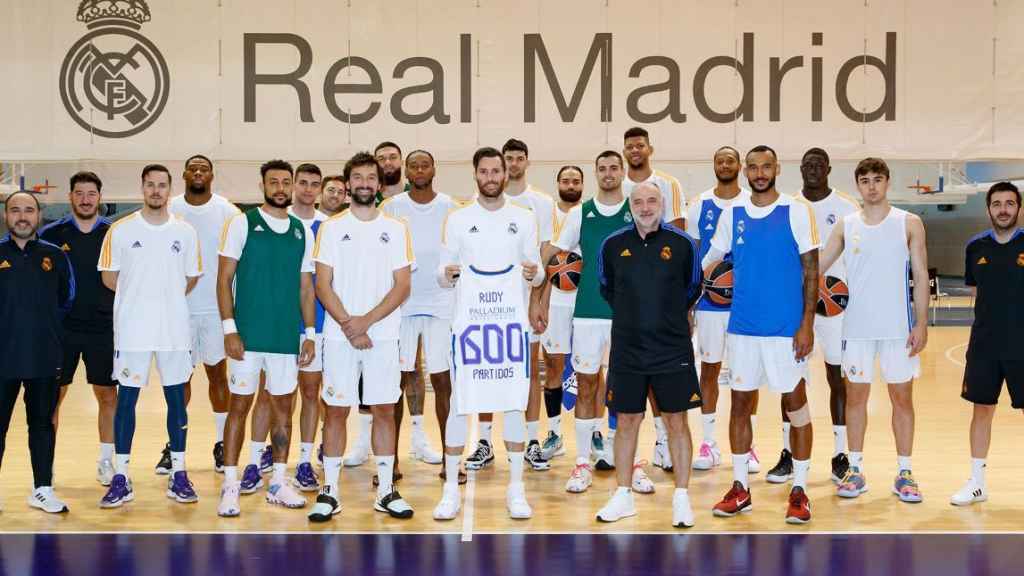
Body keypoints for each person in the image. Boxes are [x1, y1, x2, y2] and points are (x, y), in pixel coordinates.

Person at [704, 146, 818, 524]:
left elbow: (811, 271)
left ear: (777, 168)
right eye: (752, 167)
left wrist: (807, 324)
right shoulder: (732, 214)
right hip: (743, 328)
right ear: (745, 172)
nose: (759, 172)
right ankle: (740, 488)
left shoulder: (796, 210)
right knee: (739, 406)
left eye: (766, 165)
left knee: (795, 404)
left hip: (786, 329)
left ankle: (799, 490)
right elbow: (710, 262)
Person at [431, 146, 543, 521]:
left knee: (513, 403)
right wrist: (445, 275)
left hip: (510, 326)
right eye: (485, 171)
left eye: (497, 171)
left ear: (505, 174)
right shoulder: (458, 219)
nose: (492, 177)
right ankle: (449, 490)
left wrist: (534, 274)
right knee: (461, 404)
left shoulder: (524, 218)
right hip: (470, 327)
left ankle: (516, 489)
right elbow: (442, 271)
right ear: (475, 174)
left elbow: (538, 270)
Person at [542, 150, 656, 494]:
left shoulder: (635, 210)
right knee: (588, 386)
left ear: (623, 172)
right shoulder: (581, 213)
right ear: (596, 173)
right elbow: (553, 255)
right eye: (602, 168)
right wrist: (536, 289)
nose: (608, 173)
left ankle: (631, 461)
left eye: (613, 168)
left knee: (630, 388)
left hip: (629, 315)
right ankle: (580, 464)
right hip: (589, 312)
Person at [308, 152, 414, 522]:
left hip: (382, 337)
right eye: (358, 178)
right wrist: (348, 325)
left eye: (371, 177)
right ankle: (330, 491)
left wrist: (365, 323)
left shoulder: (397, 228)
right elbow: (323, 283)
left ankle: (385, 489)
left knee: (384, 409)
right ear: (349, 184)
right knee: (335, 411)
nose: (365, 183)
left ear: (379, 185)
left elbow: (403, 286)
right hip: (339, 338)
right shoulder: (331, 228)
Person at [817, 157, 929, 503]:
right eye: (864, 180)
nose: (871, 186)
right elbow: (818, 266)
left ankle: (905, 472)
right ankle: (854, 468)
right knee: (856, 399)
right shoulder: (846, 225)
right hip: (857, 328)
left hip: (898, 330)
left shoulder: (909, 223)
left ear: (887, 182)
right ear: (858, 186)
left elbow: (921, 276)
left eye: (877, 179)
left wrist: (922, 322)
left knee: (902, 399)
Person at [594, 182, 702, 528]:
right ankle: (623, 495)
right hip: (627, 349)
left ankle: (682, 498)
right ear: (630, 207)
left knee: (676, 423)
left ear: (663, 204)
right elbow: (607, 287)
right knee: (626, 422)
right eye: (638, 201)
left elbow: (692, 286)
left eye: (651, 200)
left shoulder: (682, 244)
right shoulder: (612, 245)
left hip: (672, 348)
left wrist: (666, 316)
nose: (645, 207)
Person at [97, 165, 202, 508]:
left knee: (177, 402)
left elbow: (191, 278)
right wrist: (140, 300)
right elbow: (110, 279)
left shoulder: (185, 232)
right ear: (141, 188)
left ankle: (179, 472)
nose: (156, 191)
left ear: (169, 189)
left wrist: (164, 299)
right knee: (126, 402)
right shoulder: (120, 230)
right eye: (150, 185)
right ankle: (122, 476)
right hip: (133, 331)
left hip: (173, 330)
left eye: (162, 186)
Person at [216, 159, 316, 516]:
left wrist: (308, 334)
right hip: (247, 336)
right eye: (272, 181)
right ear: (262, 186)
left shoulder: (301, 231)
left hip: (285, 337)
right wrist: (230, 329)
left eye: (284, 182)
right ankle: (230, 484)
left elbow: (306, 287)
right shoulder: (242, 223)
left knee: (284, 411)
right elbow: (224, 279)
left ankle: (278, 481)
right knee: (239, 407)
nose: (279, 187)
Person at [767, 147, 858, 485]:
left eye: (820, 164)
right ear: (800, 169)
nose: (814, 169)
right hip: (796, 307)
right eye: (808, 164)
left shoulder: (847, 208)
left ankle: (839, 453)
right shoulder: (788, 206)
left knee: (837, 378)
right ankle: (788, 453)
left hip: (834, 309)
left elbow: (858, 259)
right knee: (790, 381)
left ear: (829, 168)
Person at [464, 138, 556, 473]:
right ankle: (485, 441)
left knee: (529, 372)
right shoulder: (470, 209)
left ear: (521, 165)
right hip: (484, 308)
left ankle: (531, 441)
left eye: (517, 159)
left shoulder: (540, 205)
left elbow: (546, 257)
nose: (510, 166)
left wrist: (538, 301)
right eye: (507, 160)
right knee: (486, 371)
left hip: (521, 303)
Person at [39, 172, 118, 485]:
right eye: (79, 193)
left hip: (104, 327)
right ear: (70, 196)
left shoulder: (114, 234)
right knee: (51, 399)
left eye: (91, 193)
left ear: (100, 197)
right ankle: (46, 464)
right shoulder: (50, 235)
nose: (85, 199)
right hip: (62, 331)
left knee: (107, 396)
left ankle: (106, 461)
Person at [685, 147, 759, 474]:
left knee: (748, 372)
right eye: (720, 161)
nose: (725, 165)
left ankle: (749, 445)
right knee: (710, 370)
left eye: (730, 160)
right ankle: (709, 441)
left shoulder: (752, 202)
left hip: (746, 301)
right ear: (714, 166)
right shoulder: (700, 204)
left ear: (739, 166)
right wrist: (687, 299)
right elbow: (692, 255)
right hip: (708, 302)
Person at [0, 191, 74, 513]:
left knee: (42, 425)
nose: (22, 216)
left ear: (38, 215)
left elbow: (67, 299)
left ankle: (42, 489)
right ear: (6, 216)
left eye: (28, 210)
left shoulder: (55, 255)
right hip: (3, 359)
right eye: (15, 210)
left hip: (44, 357)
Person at [381, 150, 453, 479]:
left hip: (441, 303)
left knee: (442, 382)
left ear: (434, 168)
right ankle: (391, 460)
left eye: (426, 164)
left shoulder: (450, 207)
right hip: (402, 304)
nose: (420, 169)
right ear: (406, 172)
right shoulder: (393, 207)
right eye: (414, 165)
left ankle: (452, 461)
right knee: (396, 381)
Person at [952, 182, 1023, 506]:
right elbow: (976, 295)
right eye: (997, 204)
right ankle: (977, 483)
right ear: (989, 209)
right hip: (984, 346)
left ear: (1019, 208)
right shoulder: (975, 247)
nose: (1004, 209)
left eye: (1010, 203)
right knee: (982, 410)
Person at [620, 126, 688, 468]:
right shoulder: (617, 185)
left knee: (662, 379)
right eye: (629, 146)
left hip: (663, 299)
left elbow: (680, 237)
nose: (635, 150)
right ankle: (621, 451)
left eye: (640, 145)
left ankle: (663, 440)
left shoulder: (669, 185)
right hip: (628, 299)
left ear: (650, 148)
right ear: (624, 151)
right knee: (626, 380)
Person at [168, 155, 240, 475]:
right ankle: (174, 445)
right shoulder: (170, 208)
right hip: (178, 308)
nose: (198, 172)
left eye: (204, 168)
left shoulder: (228, 211)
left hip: (214, 308)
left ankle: (222, 443)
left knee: (217, 377)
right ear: (184, 174)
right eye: (192, 167)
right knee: (178, 379)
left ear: (212, 174)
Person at [537, 166, 585, 461]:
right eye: (565, 180)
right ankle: (554, 433)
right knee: (553, 366)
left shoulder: (590, 215)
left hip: (585, 303)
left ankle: (593, 433)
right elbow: (544, 259)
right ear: (557, 184)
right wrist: (539, 301)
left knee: (591, 369)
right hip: (554, 301)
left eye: (576, 180)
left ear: (583, 184)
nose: (570, 184)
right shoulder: (546, 214)